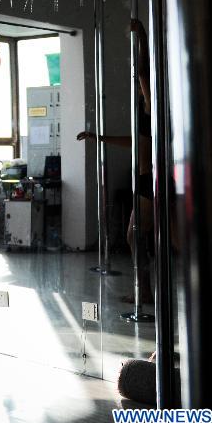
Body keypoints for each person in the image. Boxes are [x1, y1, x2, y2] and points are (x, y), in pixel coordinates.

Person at [77, 18, 154, 304]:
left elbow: (144, 71)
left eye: (140, 85)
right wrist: (99, 138)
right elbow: (134, 142)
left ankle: (145, 290)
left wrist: (141, 37)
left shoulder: (151, 108)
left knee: (137, 235)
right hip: (147, 181)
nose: (138, 85)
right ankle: (144, 289)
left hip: (150, 181)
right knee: (137, 236)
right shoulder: (148, 118)